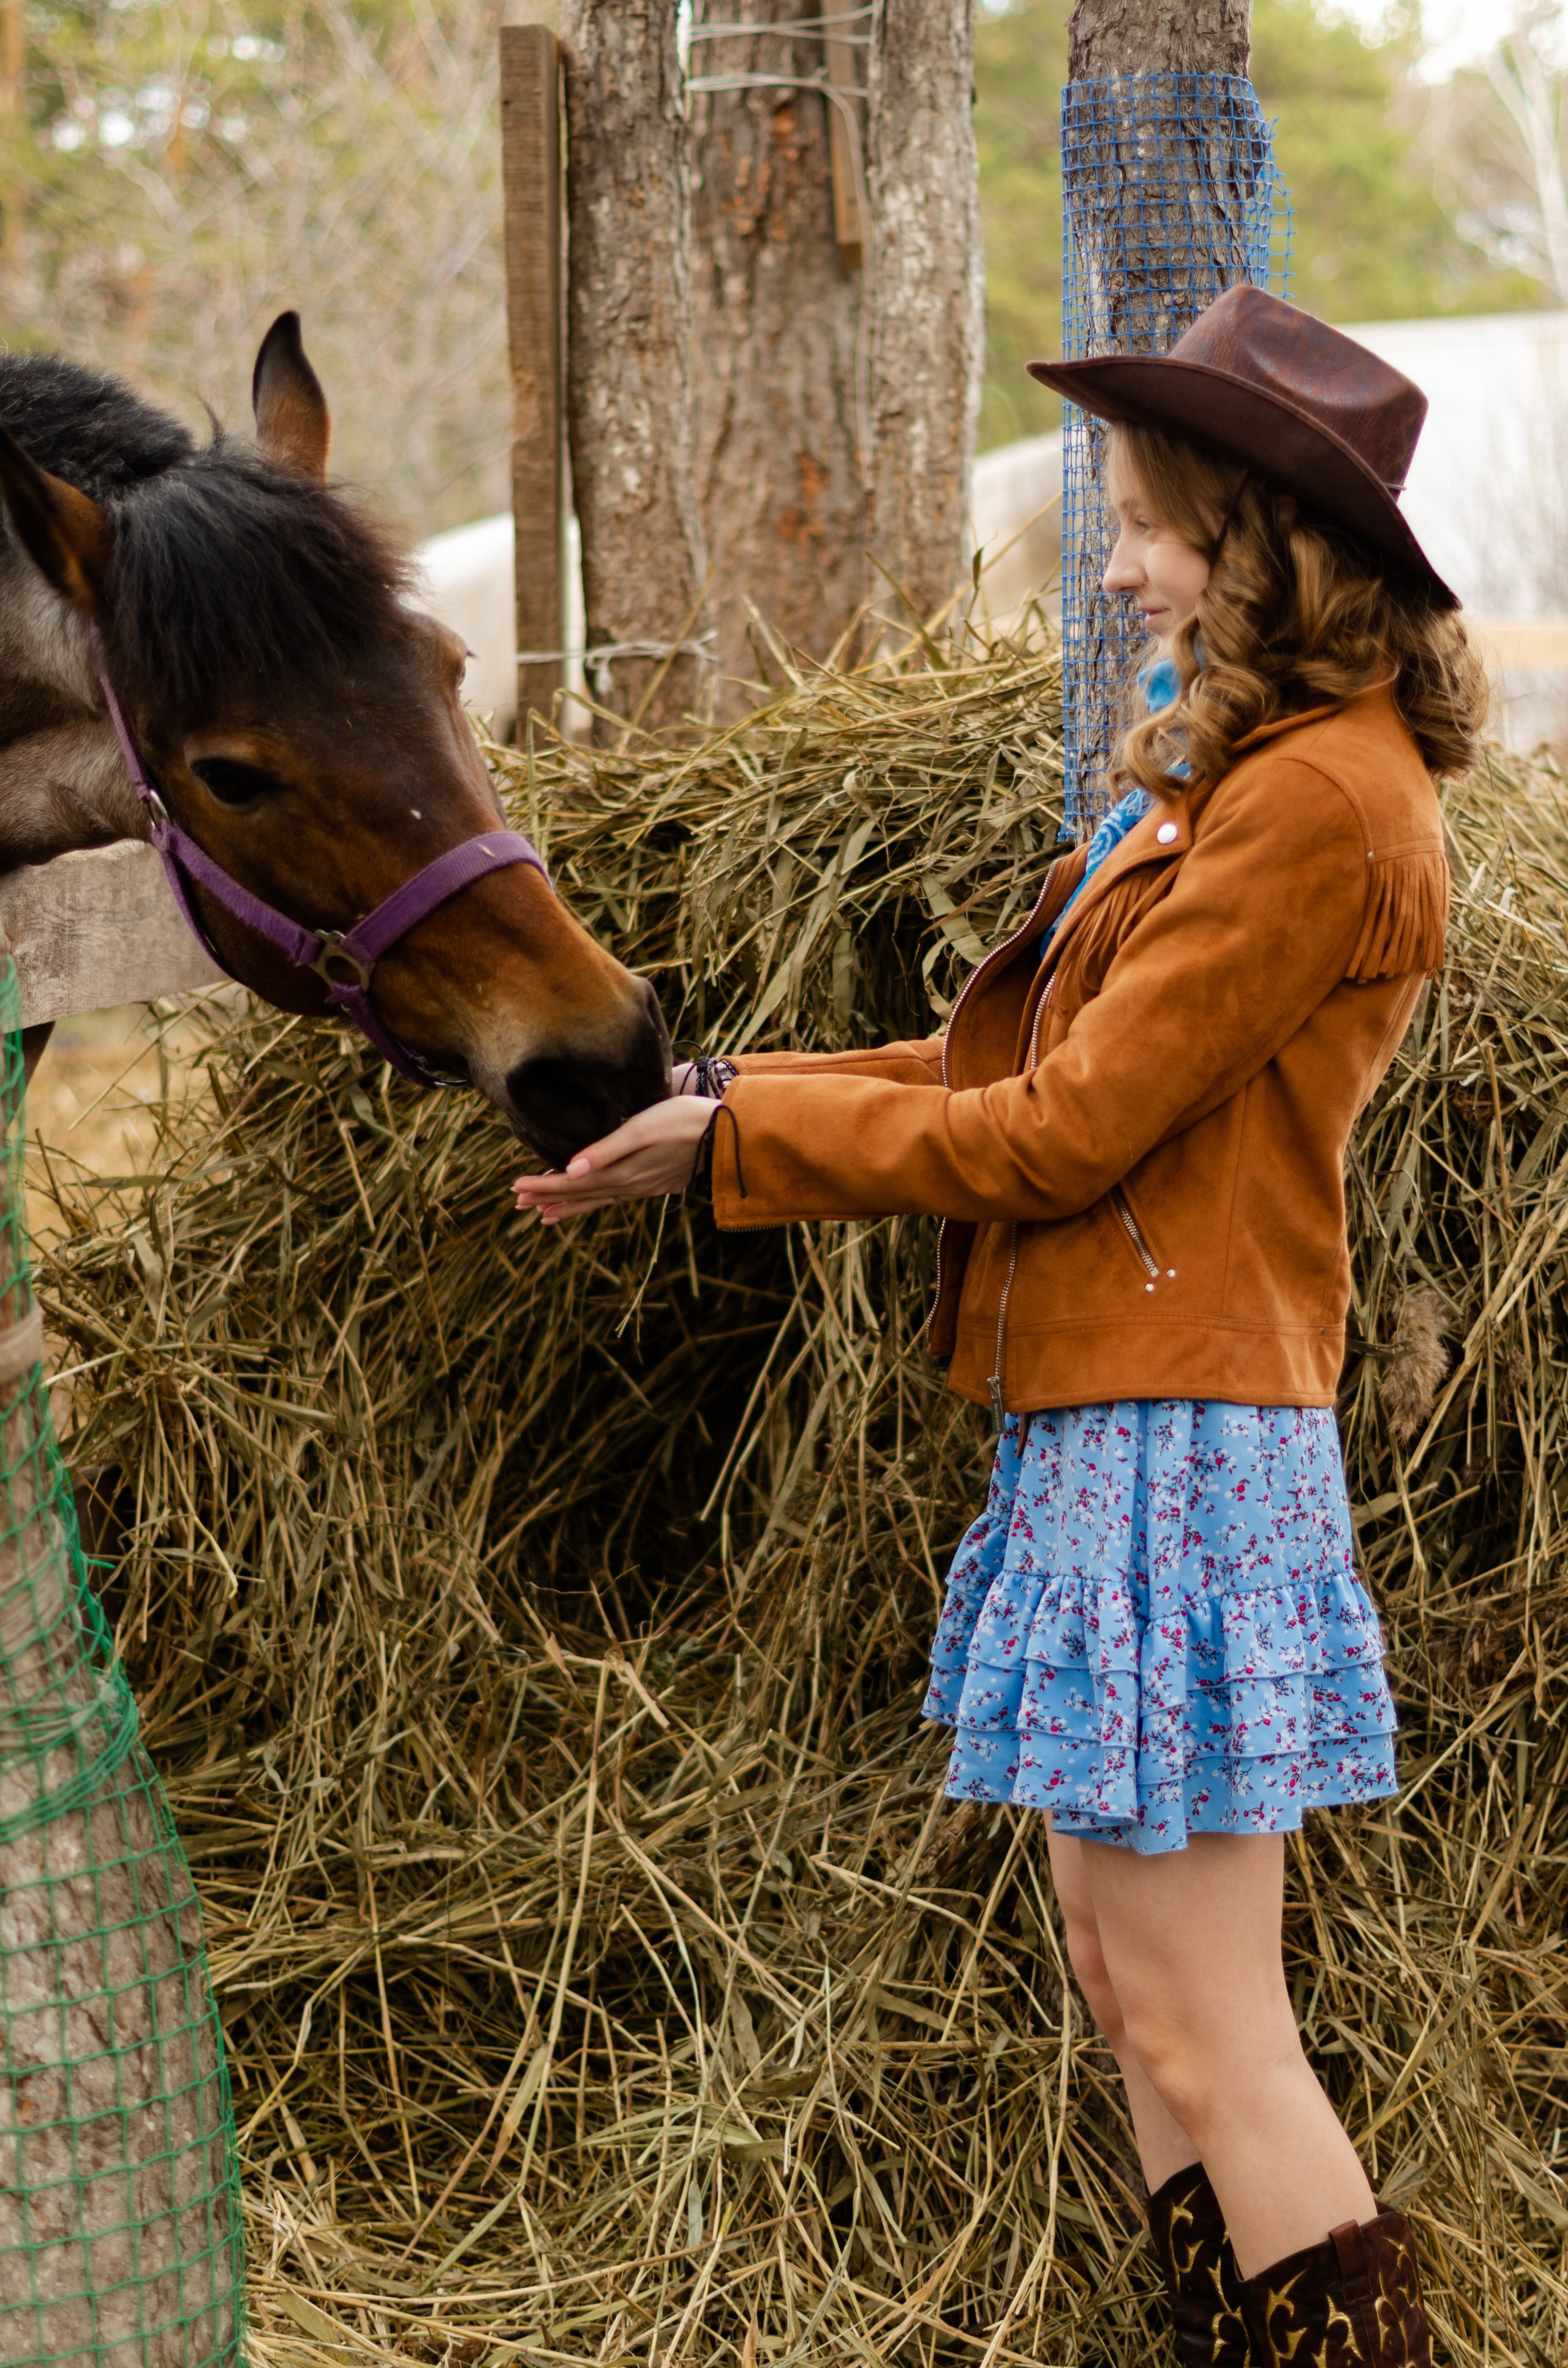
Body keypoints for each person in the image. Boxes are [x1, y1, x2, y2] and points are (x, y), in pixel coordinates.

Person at [510, 286, 1487, 2368]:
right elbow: (1006, 1050)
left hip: (1185, 1436)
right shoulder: (1238, 782)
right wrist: (725, 1105)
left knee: (1219, 2032)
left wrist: (738, 1153)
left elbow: (1060, 1133)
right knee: (1130, 1986)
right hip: (1115, 1416)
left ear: (1259, 544)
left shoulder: (1322, 802)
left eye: (1145, 523)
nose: (1116, 560)